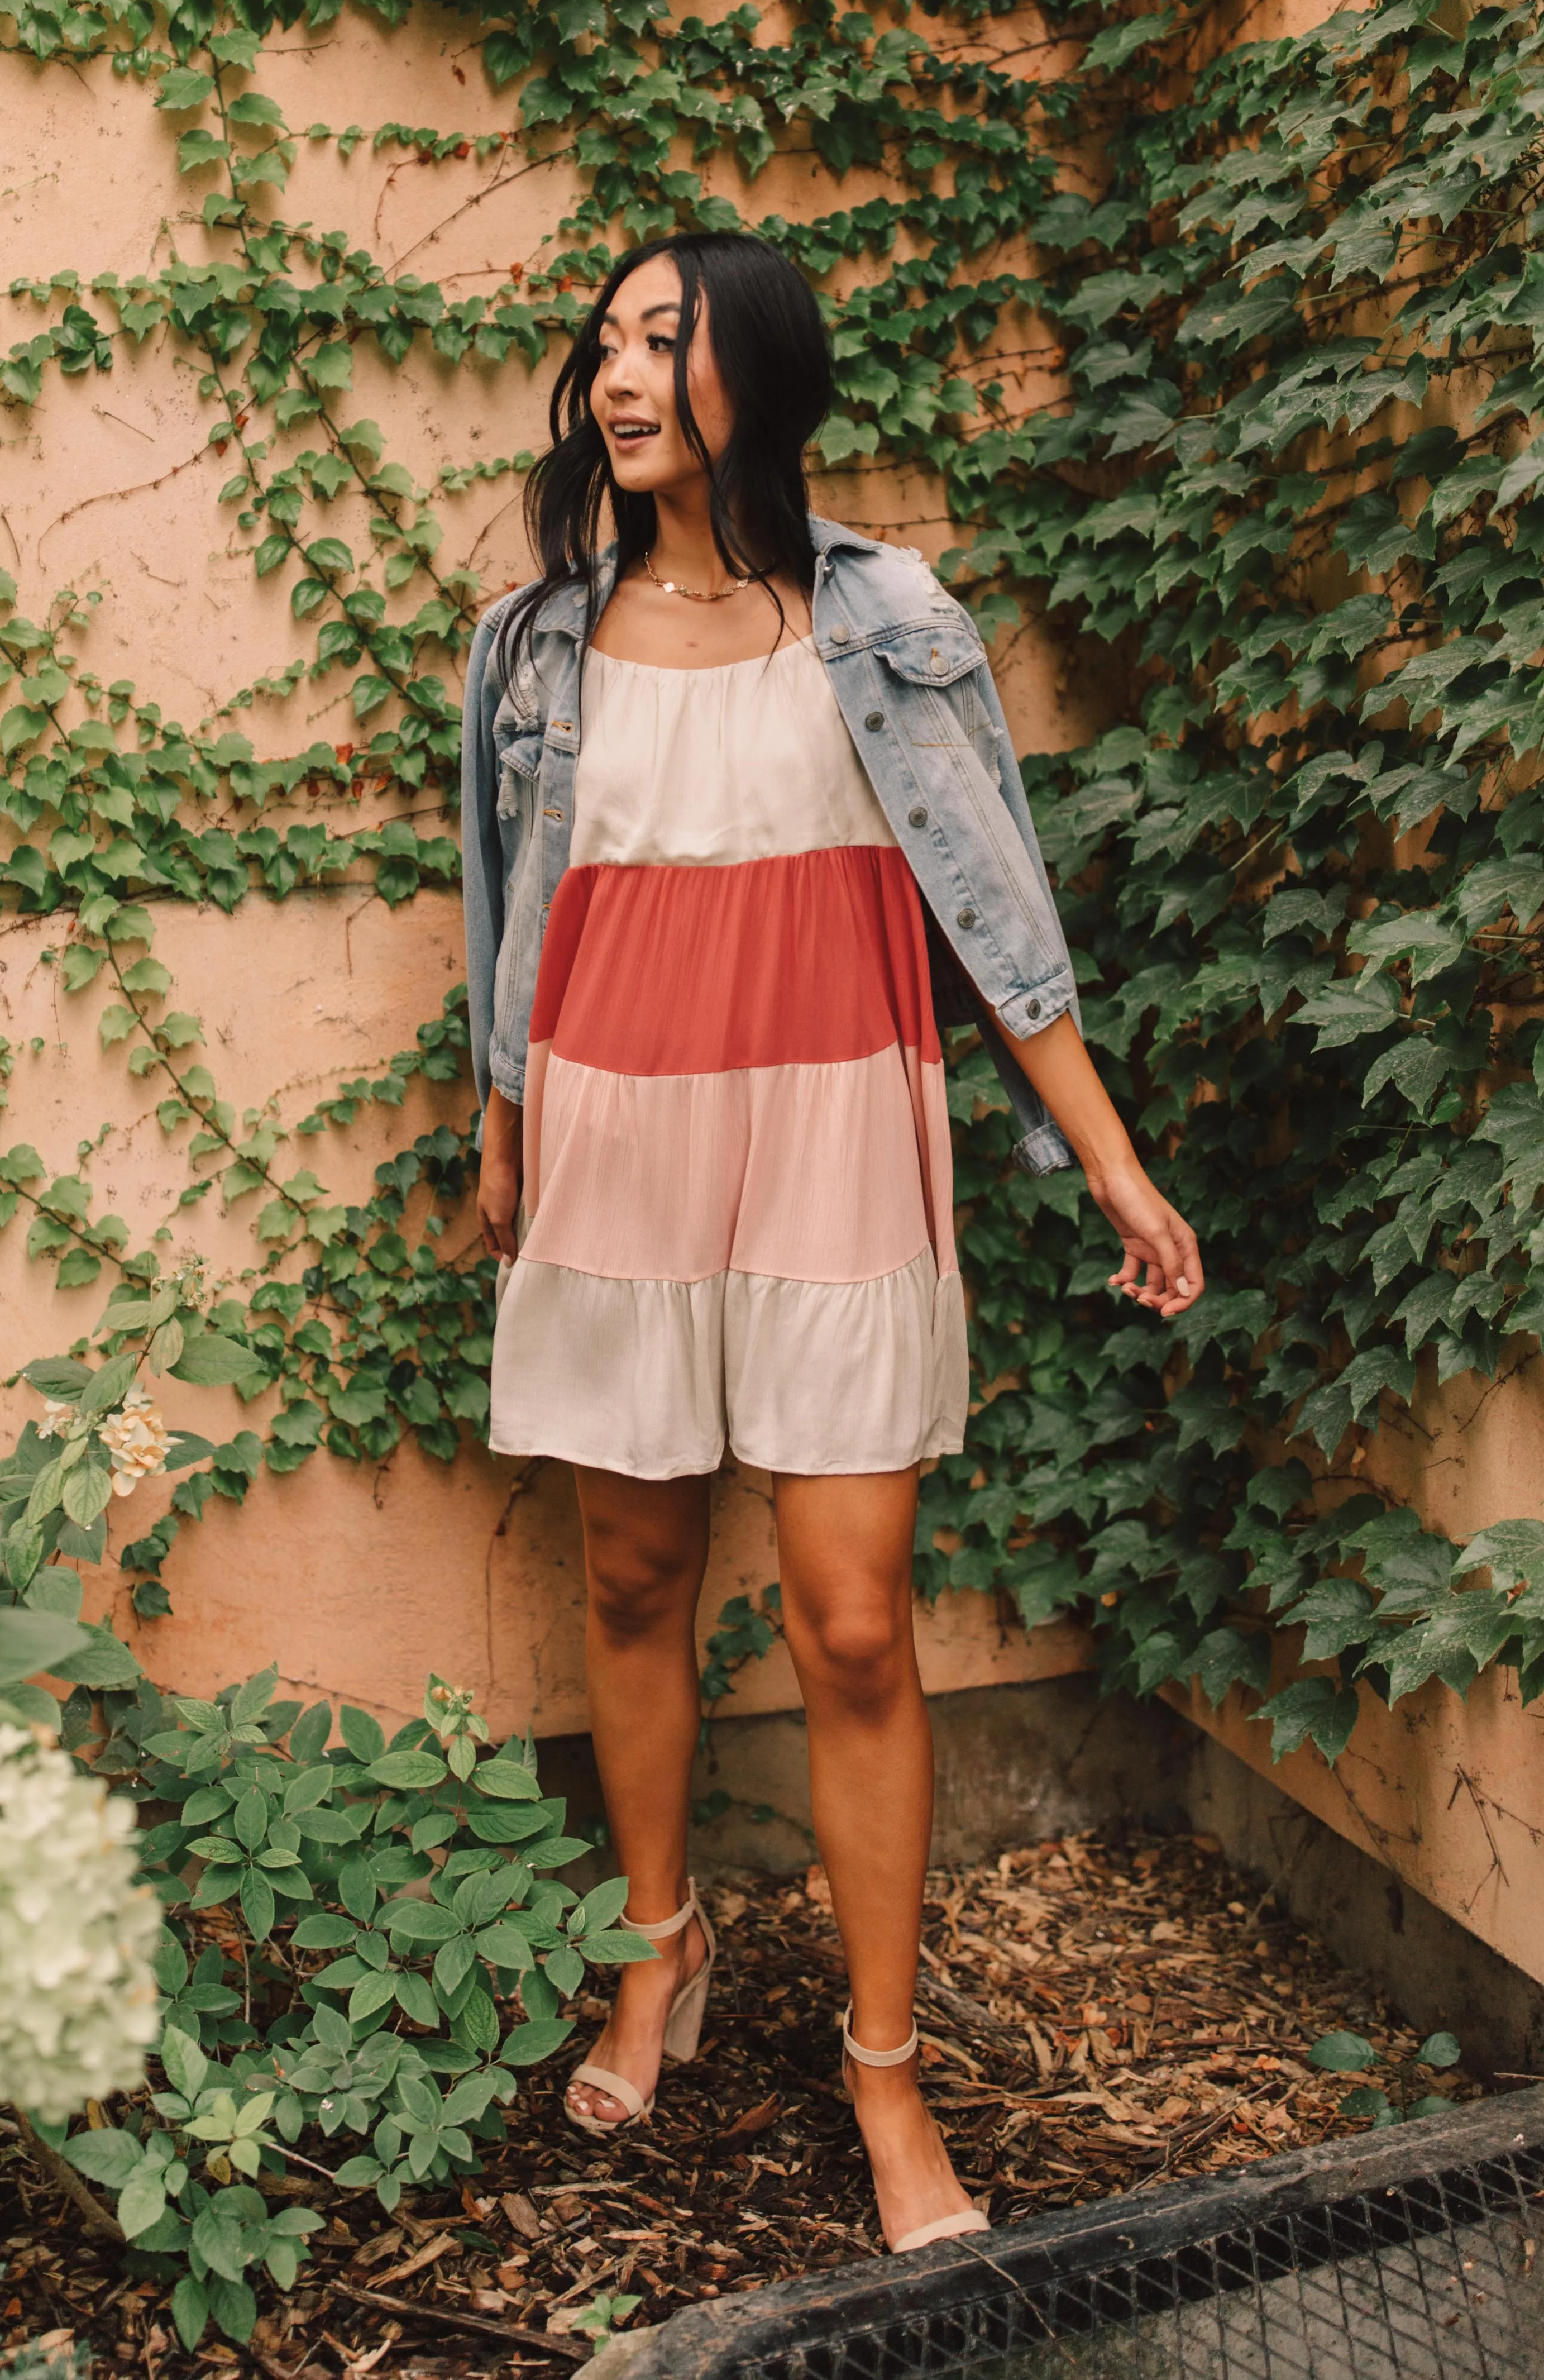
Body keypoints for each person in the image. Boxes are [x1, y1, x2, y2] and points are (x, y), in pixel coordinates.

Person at [460, 232, 1202, 2252]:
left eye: (662, 339)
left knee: (855, 1621)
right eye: (604, 342)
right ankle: (660, 1948)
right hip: (617, 1125)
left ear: (754, 374)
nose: (618, 376)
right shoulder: (538, 641)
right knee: (629, 1573)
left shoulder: (887, 616)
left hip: (831, 1128)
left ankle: (888, 2075)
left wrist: (1113, 1164)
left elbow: (997, 911)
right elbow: (513, 896)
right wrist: (506, 1119)